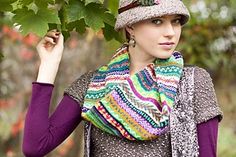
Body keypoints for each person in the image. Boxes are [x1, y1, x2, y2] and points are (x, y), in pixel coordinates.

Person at [22, 0, 223, 156]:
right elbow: (35, 146)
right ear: (130, 27)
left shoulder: (193, 82)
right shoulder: (93, 85)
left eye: (176, 21)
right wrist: (48, 65)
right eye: (157, 21)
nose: (170, 32)